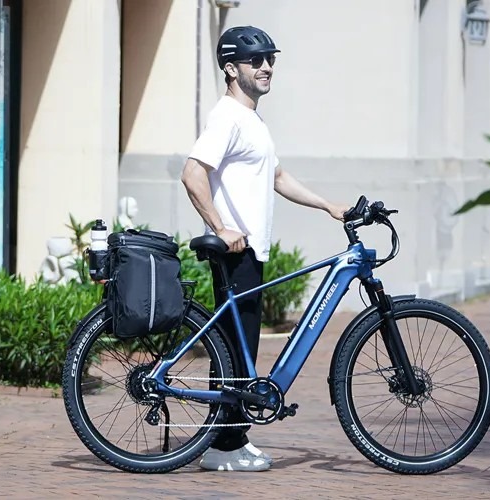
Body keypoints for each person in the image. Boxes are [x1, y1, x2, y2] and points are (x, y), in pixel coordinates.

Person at [181, 25, 349, 472]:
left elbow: (276, 178)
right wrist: (222, 227)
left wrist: (328, 206)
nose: (267, 66)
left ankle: (233, 439)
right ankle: (222, 448)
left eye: (270, 59)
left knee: (241, 349)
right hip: (234, 251)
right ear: (231, 68)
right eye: (257, 60)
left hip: (250, 252)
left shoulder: (252, 120)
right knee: (236, 352)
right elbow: (192, 173)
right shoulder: (227, 117)